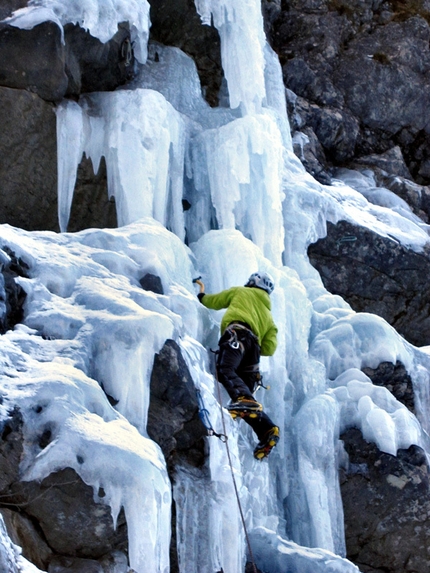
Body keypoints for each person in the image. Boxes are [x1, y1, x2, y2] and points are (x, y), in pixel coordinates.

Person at [195, 271, 279, 460]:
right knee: (245, 404)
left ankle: (244, 398)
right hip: (254, 352)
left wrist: (201, 296)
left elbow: (215, 301)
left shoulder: (241, 292)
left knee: (225, 370)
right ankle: (267, 429)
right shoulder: (269, 316)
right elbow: (270, 348)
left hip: (237, 335)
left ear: (253, 282)